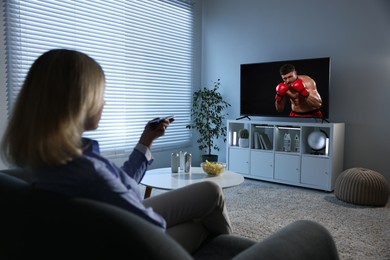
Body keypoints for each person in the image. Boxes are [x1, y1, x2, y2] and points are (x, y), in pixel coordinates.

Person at [0, 49, 232, 254]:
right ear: (79, 101)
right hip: (134, 243)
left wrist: (146, 140)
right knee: (201, 226)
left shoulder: (52, 160)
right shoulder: (88, 171)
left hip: (116, 223)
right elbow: (150, 229)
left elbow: (117, 184)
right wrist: (184, 220)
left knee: (210, 190)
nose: (104, 102)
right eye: (100, 94)